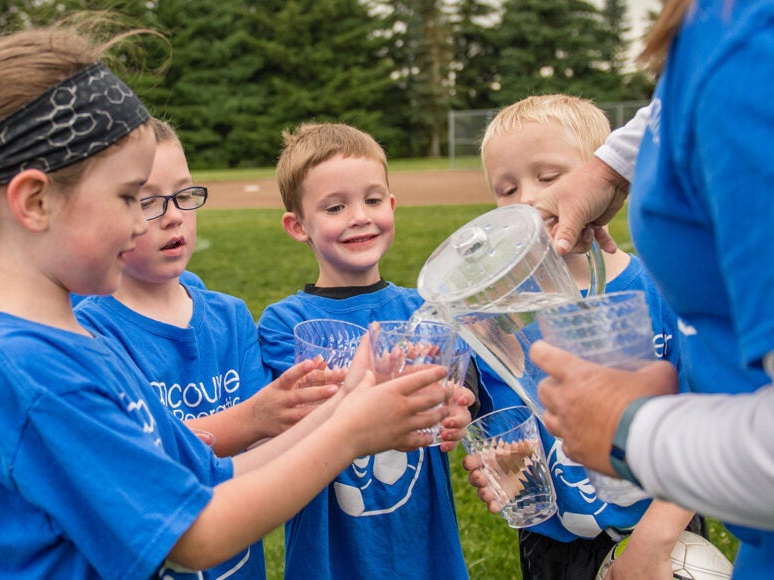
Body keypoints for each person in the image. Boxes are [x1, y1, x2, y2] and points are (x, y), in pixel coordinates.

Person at [0, 21, 450, 576]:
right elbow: (195, 535)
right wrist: (350, 433)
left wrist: (344, 406)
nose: (144, 224)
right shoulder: (24, 372)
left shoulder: (73, 340)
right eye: (129, 198)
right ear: (35, 202)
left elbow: (209, 475)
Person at [531, 0, 774, 574]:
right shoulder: (724, 35)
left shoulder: (750, 51)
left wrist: (631, 432)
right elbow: (677, 109)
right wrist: (608, 166)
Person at [74, 118, 335, 579]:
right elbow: (144, 457)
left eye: (184, 194)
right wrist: (255, 416)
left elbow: (267, 443)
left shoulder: (229, 316)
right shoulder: (92, 331)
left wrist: (328, 405)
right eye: (149, 201)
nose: (174, 215)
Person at [466, 94, 707, 579]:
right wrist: (505, 465)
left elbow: (703, 421)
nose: (527, 200)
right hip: (554, 546)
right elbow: (504, 427)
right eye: (506, 189)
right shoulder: (498, 318)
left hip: (665, 530)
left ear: (607, 177)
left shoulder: (663, 290)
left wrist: (655, 539)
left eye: (549, 178)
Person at [257, 122, 475, 580]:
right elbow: (288, 432)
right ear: (298, 226)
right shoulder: (284, 324)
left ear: (391, 205)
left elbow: (455, 393)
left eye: (373, 200)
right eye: (336, 207)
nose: (360, 216)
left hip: (422, 542)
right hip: (332, 552)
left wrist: (457, 413)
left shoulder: (424, 311)